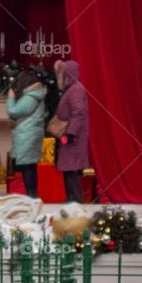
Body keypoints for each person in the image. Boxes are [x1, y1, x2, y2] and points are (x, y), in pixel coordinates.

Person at [51, 59, 89, 203]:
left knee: (71, 169)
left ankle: (75, 200)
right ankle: (70, 198)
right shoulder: (72, 89)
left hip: (73, 136)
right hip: (69, 134)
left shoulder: (76, 89)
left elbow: (78, 113)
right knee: (68, 168)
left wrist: (71, 134)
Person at [6, 70, 47, 198]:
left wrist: (11, 98)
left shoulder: (30, 97)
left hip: (27, 135)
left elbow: (13, 111)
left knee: (27, 167)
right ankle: (32, 196)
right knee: (29, 167)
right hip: (29, 134)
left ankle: (32, 197)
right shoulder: (34, 95)